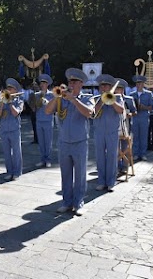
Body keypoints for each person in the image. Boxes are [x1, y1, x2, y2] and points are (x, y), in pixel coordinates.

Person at [45, 68, 94, 216]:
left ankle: (78, 202)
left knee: (80, 174)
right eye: (69, 81)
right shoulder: (61, 99)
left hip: (79, 141)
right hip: (64, 141)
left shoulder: (87, 97)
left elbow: (89, 113)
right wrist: (56, 96)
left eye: (74, 81)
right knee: (65, 174)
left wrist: (73, 99)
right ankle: (66, 202)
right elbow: (47, 111)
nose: (71, 84)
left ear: (81, 84)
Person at [92, 74, 124, 192]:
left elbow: (120, 110)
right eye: (102, 86)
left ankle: (111, 182)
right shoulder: (96, 98)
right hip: (99, 131)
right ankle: (101, 181)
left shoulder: (117, 97)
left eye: (106, 86)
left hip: (112, 131)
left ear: (111, 87)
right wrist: (102, 100)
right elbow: (93, 112)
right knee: (100, 156)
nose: (104, 88)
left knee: (111, 156)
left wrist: (112, 100)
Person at [0, 78, 24, 181]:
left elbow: (16, 113)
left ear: (16, 90)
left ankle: (17, 172)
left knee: (16, 152)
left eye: (11, 88)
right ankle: (9, 171)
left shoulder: (19, 100)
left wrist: (9, 103)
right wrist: (2, 102)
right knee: (6, 152)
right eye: (7, 88)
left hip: (14, 129)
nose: (8, 90)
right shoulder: (3, 100)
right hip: (4, 129)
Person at [114, 78, 137, 173]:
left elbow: (134, 111)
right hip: (115, 126)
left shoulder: (129, 99)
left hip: (126, 126)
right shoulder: (112, 99)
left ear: (123, 90)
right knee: (115, 148)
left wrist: (130, 114)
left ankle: (124, 167)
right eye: (116, 88)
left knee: (125, 147)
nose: (117, 90)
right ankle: (116, 166)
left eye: (119, 89)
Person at [130, 75, 153, 161]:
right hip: (135, 117)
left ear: (143, 84)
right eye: (137, 83)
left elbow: (151, 108)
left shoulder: (148, 94)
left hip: (144, 116)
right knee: (135, 136)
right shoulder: (132, 94)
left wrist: (144, 107)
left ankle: (143, 154)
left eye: (140, 83)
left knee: (144, 136)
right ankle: (136, 153)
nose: (138, 85)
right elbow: (128, 106)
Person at [34, 74, 55, 168]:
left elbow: (54, 108)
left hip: (48, 120)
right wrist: (38, 100)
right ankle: (42, 159)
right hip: (39, 120)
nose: (42, 85)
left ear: (47, 85)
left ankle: (48, 159)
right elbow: (34, 108)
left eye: (44, 83)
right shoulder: (36, 95)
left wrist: (47, 102)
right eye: (41, 83)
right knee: (41, 142)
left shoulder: (52, 95)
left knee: (48, 141)